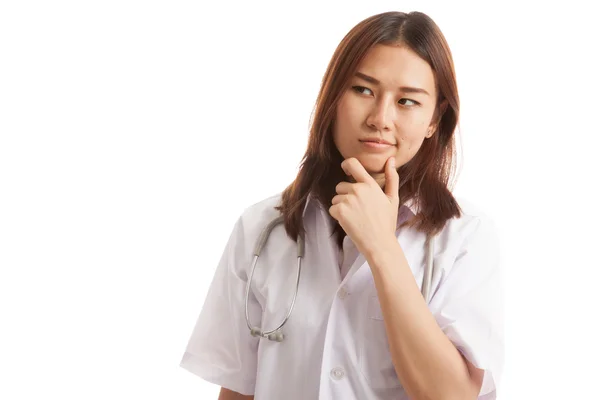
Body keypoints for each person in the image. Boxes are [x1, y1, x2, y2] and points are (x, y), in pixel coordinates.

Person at [180, 10, 503, 400]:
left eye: (407, 101)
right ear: (332, 98)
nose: (380, 118)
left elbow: (453, 395)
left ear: (435, 120)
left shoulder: (465, 237)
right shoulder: (262, 228)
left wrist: (382, 248)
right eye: (363, 90)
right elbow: (237, 391)